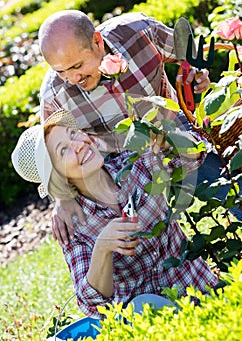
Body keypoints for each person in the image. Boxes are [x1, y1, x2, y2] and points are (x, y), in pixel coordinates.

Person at [11, 109, 218, 319]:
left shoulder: (134, 164)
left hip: (202, 288)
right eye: (63, 150)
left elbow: (195, 154)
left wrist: (167, 139)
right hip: (152, 321)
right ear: (58, 176)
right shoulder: (73, 224)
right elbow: (92, 303)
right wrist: (102, 248)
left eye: (73, 134)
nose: (79, 145)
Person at [38, 10, 214, 244]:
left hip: (173, 130)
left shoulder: (139, 31)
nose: (71, 78)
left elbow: (185, 53)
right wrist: (62, 198)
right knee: (148, 242)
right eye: (61, 71)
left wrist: (196, 73)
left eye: (77, 66)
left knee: (226, 182)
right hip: (122, 164)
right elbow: (51, 150)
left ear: (97, 43)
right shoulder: (54, 94)